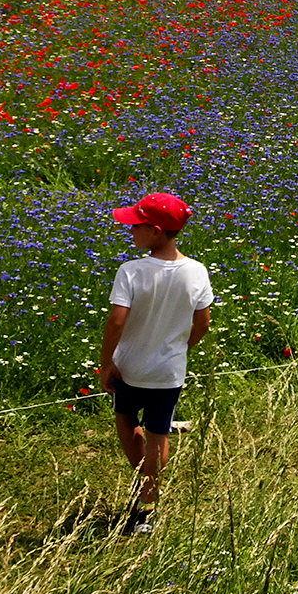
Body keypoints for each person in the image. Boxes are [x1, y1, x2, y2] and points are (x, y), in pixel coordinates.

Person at [98, 191, 214, 534]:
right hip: (169, 371)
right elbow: (203, 322)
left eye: (136, 225)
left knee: (124, 419)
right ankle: (148, 501)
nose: (130, 231)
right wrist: (181, 346)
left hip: (130, 367)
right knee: (157, 434)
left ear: (156, 231)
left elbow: (116, 321)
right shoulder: (196, 271)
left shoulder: (131, 271)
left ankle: (142, 482)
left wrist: (106, 363)